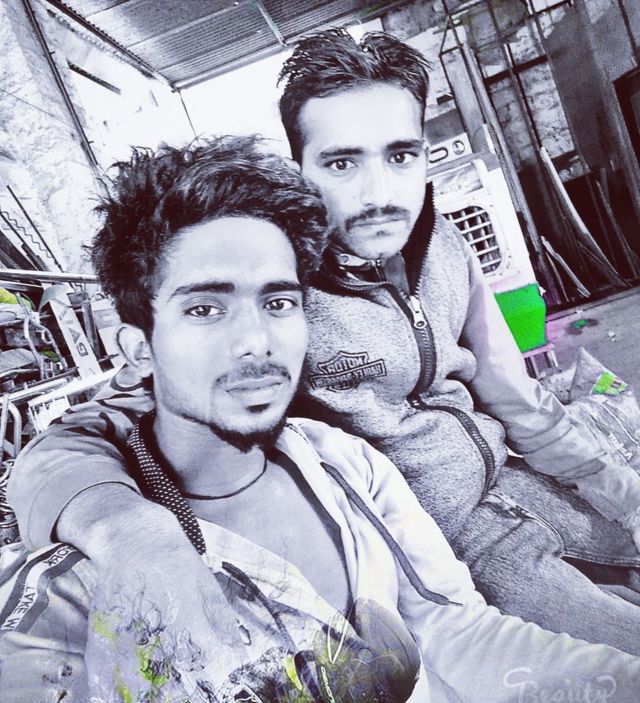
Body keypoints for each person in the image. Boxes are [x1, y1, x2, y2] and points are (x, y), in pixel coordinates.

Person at [1, 138, 639, 703]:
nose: (256, 340)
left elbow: (458, 630)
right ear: (136, 346)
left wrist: (622, 694)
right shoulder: (83, 569)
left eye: (279, 301)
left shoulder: (344, 466)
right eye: (206, 307)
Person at [7, 31, 640, 656]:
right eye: (342, 163)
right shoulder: (272, 290)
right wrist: (127, 531)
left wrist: (605, 478)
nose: (380, 195)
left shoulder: (445, 245)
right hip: (442, 544)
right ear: (300, 168)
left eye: (401, 156)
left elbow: (512, 395)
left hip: (513, 481)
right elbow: (79, 437)